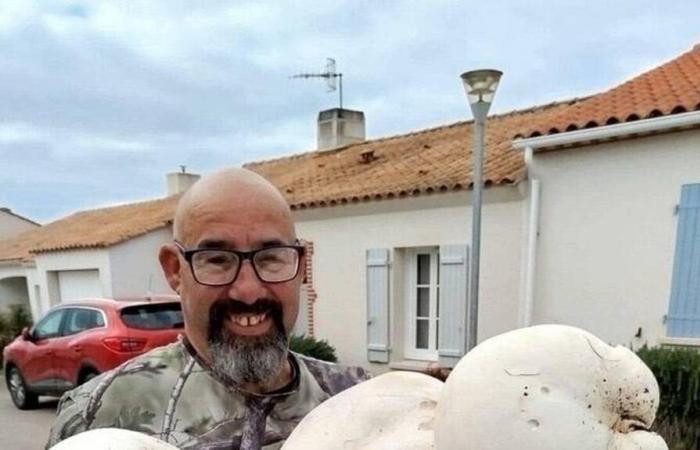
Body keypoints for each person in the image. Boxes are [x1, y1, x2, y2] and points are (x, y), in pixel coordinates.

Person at [46, 168, 370, 450]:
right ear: (175, 269)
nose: (248, 290)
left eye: (271, 258)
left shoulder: (361, 400)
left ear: (301, 266)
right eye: (217, 260)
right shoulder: (100, 413)